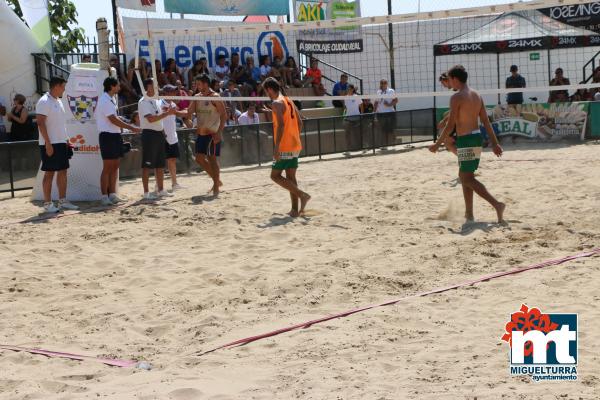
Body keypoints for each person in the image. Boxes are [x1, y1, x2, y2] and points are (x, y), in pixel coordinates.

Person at [429, 65, 505, 223]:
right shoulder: (476, 95)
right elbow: (485, 121)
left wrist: (437, 144)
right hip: (476, 137)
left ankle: (497, 204)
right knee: (465, 176)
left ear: (455, 79)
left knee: (467, 178)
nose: (449, 82)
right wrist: (495, 143)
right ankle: (469, 214)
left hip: (466, 140)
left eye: (449, 79)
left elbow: (450, 126)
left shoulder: (456, 97)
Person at [263, 77, 311, 217]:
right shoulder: (288, 100)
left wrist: (277, 146)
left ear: (270, 89)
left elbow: (281, 126)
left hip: (284, 146)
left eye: (266, 91)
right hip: (295, 144)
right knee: (291, 177)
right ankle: (295, 210)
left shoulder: (277, 103)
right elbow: (300, 122)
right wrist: (294, 137)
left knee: (275, 176)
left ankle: (302, 195)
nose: (266, 94)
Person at [35, 76, 79, 213]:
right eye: (63, 86)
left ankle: (62, 201)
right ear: (56, 86)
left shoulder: (58, 101)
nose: (64, 89)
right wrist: (48, 144)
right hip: (49, 143)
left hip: (60, 143)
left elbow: (60, 124)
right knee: (49, 173)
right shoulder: (43, 101)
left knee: (63, 171)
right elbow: (40, 123)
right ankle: (48, 204)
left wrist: (66, 140)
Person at [97, 77, 141, 206]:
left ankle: (112, 195)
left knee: (115, 166)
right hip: (107, 136)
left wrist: (124, 123)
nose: (119, 88)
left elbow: (114, 119)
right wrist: (131, 127)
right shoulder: (105, 100)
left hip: (115, 135)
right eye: (117, 86)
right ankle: (104, 196)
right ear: (111, 86)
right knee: (107, 167)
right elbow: (113, 120)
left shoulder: (111, 99)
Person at [186, 74, 227, 197]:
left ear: (205, 84)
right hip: (201, 132)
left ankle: (216, 187)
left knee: (212, 159)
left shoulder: (215, 97)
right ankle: (217, 181)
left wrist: (219, 132)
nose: (196, 86)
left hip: (212, 132)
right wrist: (185, 118)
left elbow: (224, 115)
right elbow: (188, 112)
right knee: (199, 158)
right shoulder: (197, 97)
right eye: (196, 84)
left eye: (198, 84)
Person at [138, 79, 176, 200]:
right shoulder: (143, 101)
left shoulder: (156, 100)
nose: (157, 87)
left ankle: (161, 190)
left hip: (159, 133)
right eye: (155, 85)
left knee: (160, 164)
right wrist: (167, 113)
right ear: (148, 86)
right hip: (149, 134)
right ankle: (146, 193)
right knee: (147, 164)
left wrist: (163, 132)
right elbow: (151, 119)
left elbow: (158, 119)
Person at [161, 84, 189, 191]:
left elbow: (178, 114)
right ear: (166, 93)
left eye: (174, 92)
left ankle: (174, 183)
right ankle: (159, 185)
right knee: (161, 163)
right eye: (172, 92)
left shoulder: (172, 104)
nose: (174, 93)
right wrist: (162, 133)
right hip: (163, 136)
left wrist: (187, 111)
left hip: (172, 136)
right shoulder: (159, 104)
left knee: (172, 160)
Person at [374, 79, 398, 149]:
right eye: (382, 83)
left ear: (387, 84)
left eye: (384, 83)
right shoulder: (378, 92)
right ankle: (384, 145)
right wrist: (374, 113)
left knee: (391, 130)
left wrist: (389, 104)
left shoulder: (391, 91)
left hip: (390, 113)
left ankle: (394, 143)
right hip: (381, 114)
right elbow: (376, 103)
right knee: (383, 130)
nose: (383, 84)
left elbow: (396, 100)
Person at [343, 84, 361, 155]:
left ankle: (362, 148)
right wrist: (345, 115)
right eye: (348, 89)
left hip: (356, 117)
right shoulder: (346, 97)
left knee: (357, 133)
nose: (348, 90)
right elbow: (345, 107)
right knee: (347, 134)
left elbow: (361, 105)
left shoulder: (356, 96)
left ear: (352, 89)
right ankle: (348, 150)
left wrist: (361, 115)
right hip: (348, 117)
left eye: (350, 89)